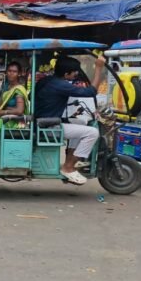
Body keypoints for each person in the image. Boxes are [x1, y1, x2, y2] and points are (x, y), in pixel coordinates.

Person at [34, 55, 107, 185]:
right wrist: (98, 68)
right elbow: (91, 92)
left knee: (80, 123)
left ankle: (70, 162)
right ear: (66, 74)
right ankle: (68, 167)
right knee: (92, 132)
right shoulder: (60, 85)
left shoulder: (46, 81)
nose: (76, 74)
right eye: (74, 72)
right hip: (48, 126)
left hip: (43, 122)